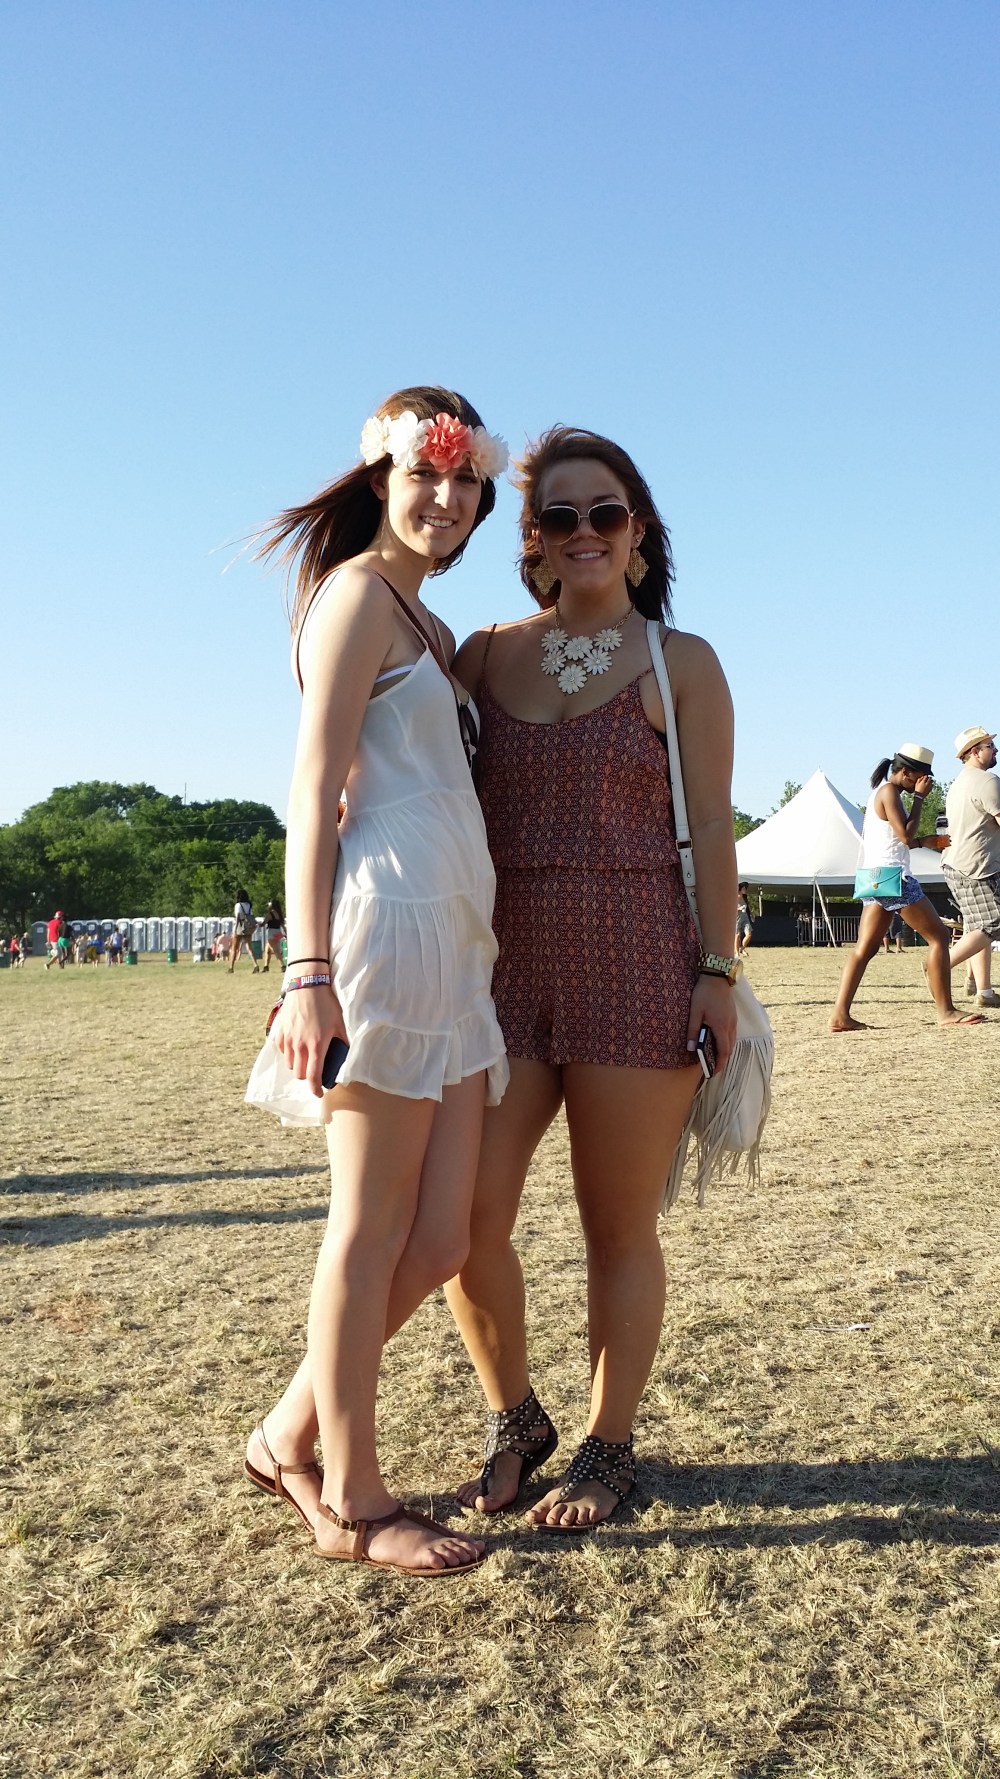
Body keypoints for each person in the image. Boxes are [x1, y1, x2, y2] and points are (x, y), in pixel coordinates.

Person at [444, 425, 740, 1531]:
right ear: (528, 536)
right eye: (557, 516)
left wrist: (716, 969)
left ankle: (610, 1447)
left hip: (638, 957)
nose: (582, 534)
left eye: (602, 513)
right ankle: (514, 1415)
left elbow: (711, 826)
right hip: (499, 967)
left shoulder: (683, 662)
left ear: (639, 530)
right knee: (465, 1218)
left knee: (616, 1227)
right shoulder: (481, 652)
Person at [242, 386, 509, 1575]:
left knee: (442, 1235)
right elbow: (311, 790)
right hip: (381, 940)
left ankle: (287, 1435)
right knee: (367, 1229)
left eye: (465, 483)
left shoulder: (432, 627)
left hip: (456, 945)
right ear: (381, 479)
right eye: (427, 475)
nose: (446, 499)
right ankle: (351, 1493)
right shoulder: (354, 597)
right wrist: (307, 973)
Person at [829, 747, 988, 1032]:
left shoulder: (881, 793)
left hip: (874, 877)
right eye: (921, 777)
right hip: (894, 878)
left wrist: (923, 842)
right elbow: (904, 834)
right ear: (906, 773)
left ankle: (840, 1015)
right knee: (939, 937)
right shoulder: (890, 792)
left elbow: (897, 839)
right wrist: (919, 799)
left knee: (864, 950)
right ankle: (946, 1011)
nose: (924, 782)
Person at [941, 727, 1000, 1010]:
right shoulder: (987, 781)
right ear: (974, 751)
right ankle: (939, 966)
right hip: (979, 866)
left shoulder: (959, 782)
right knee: (993, 923)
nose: (996, 750)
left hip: (956, 863)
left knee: (978, 927)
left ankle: (984, 991)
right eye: (990, 745)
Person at [229, 889, 260, 973]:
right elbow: (251, 915)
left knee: (234, 947)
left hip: (239, 926)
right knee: (249, 947)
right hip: (248, 926)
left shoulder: (238, 905)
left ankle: (231, 967)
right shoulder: (249, 905)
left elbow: (238, 916)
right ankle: (255, 964)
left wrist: (235, 929)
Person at [261, 898, 285, 973]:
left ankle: (282, 966)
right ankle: (266, 966)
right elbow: (282, 925)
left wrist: (256, 924)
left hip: (272, 933)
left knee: (275, 950)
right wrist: (285, 933)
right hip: (278, 932)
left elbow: (263, 923)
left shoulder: (270, 914)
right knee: (267, 950)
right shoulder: (279, 914)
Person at [735, 883, 754, 955]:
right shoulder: (735, 897)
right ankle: (737, 952)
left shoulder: (745, 897)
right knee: (737, 935)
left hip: (745, 917)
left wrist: (752, 914)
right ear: (740, 889)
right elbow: (731, 908)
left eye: (745, 888)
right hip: (737, 917)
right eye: (743, 888)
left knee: (749, 934)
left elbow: (748, 908)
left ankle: (742, 948)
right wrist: (739, 908)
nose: (745, 890)